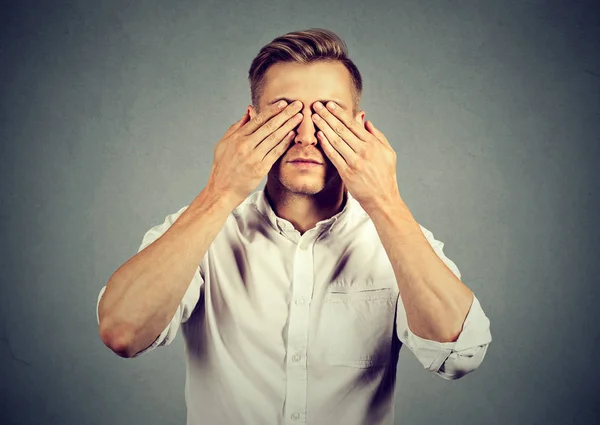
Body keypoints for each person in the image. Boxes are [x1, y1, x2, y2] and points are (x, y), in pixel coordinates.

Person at [96, 28, 492, 425]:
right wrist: (219, 192)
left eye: (328, 115)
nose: (306, 135)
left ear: (360, 128)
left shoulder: (396, 238)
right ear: (250, 122)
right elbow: (122, 332)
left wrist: (385, 201)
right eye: (284, 112)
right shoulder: (203, 230)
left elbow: (460, 355)